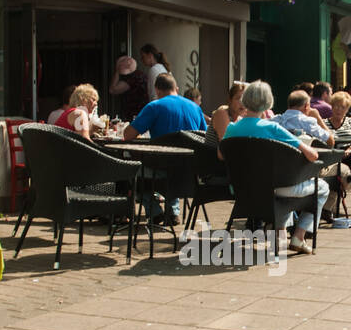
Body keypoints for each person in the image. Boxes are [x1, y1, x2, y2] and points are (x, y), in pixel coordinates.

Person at [222, 80, 327, 255]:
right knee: (322, 187)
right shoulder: (272, 127)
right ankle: (299, 237)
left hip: (243, 189)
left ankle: (280, 236)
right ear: (268, 102)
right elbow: (312, 155)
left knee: (282, 187)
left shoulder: (232, 128)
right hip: (275, 187)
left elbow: (221, 153)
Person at [124, 73, 207, 225]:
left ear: (157, 90)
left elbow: (128, 135)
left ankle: (154, 211)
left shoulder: (154, 106)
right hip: (190, 169)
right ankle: (173, 211)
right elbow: (205, 138)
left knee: (131, 168)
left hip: (161, 167)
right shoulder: (195, 108)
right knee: (171, 162)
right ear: (176, 88)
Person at [321, 90, 351, 220]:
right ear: (331, 106)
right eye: (336, 106)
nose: (339, 110)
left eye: (343, 107)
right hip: (332, 156)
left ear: (347, 109)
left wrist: (350, 147)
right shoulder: (324, 123)